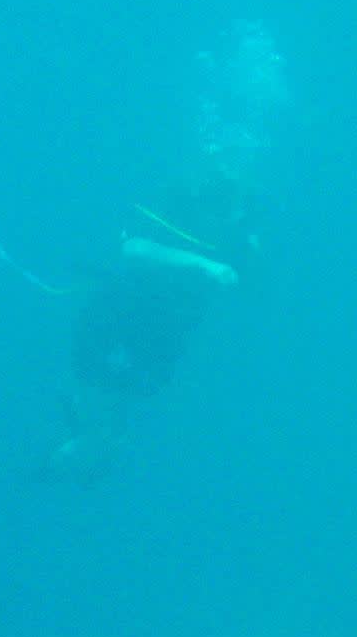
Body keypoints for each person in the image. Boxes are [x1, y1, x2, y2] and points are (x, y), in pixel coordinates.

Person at [43, 170, 249, 483]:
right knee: (93, 370)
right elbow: (135, 248)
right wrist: (203, 264)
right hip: (126, 309)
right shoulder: (172, 203)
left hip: (169, 325)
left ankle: (96, 442)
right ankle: (85, 436)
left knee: (138, 383)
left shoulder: (236, 227)